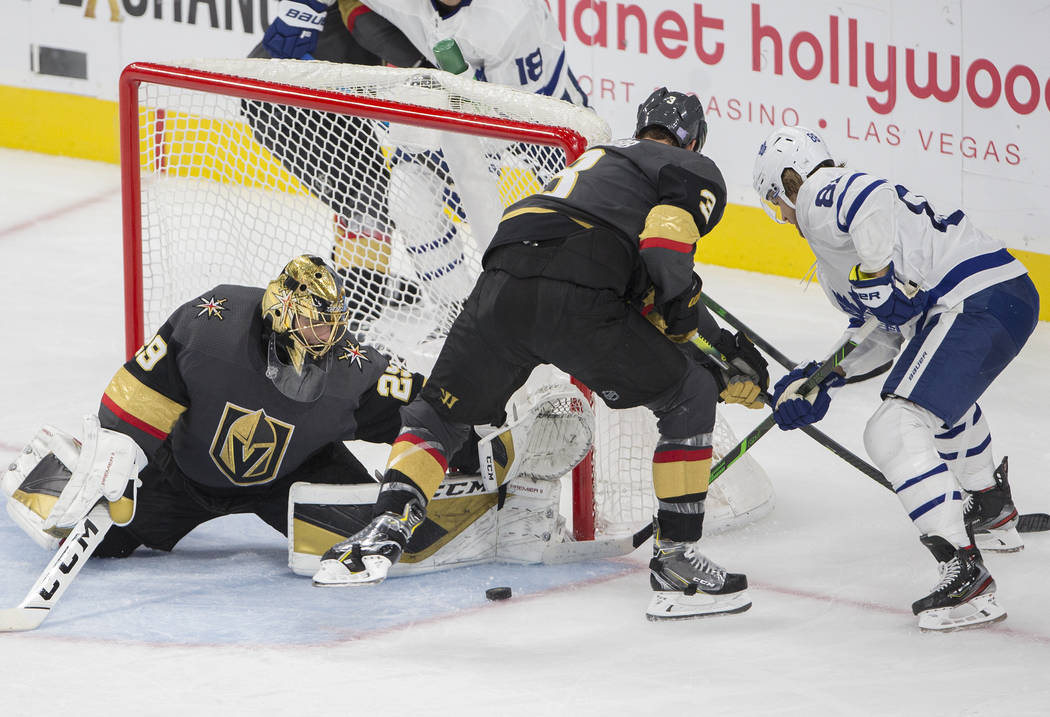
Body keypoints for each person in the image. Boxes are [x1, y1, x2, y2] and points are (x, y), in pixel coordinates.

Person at [312, 88, 771, 622]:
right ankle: (677, 566)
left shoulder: (599, 163)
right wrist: (694, 333)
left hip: (502, 277)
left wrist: (700, 332)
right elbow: (664, 250)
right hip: (576, 284)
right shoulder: (689, 165)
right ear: (694, 139)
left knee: (441, 412)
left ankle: (386, 525)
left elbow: (644, 284)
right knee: (687, 394)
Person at [752, 126, 1039, 631]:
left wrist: (877, 274)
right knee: (933, 402)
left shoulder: (821, 192)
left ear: (789, 182)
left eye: (779, 205)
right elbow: (882, 336)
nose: (784, 218)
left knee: (892, 426)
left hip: (973, 300)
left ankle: (966, 576)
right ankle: (992, 510)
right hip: (1003, 296)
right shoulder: (831, 261)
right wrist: (823, 376)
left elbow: (871, 199)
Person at [1, 255, 478, 559]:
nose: (329, 337)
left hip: (293, 476)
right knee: (84, 529)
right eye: (317, 324)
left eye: (334, 324)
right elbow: (139, 393)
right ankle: (43, 472)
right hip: (180, 473)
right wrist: (116, 460)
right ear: (286, 309)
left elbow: (424, 413)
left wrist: (475, 442)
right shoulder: (211, 324)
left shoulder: (352, 368)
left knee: (385, 540)